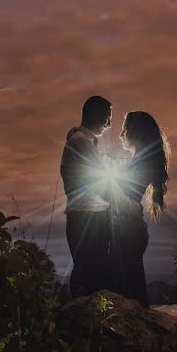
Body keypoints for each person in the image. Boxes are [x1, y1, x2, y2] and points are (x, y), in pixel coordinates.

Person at [109, 111, 170, 308]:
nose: (120, 135)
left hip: (129, 230)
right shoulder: (140, 161)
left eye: (124, 130)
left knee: (129, 292)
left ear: (134, 133)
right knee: (130, 287)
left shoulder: (141, 162)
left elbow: (123, 195)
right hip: (129, 228)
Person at [60, 95, 113, 298]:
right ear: (96, 116)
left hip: (87, 213)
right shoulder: (81, 142)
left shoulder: (85, 141)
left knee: (89, 271)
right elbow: (98, 181)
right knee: (90, 275)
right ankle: (85, 321)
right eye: (108, 117)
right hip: (87, 216)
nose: (109, 124)